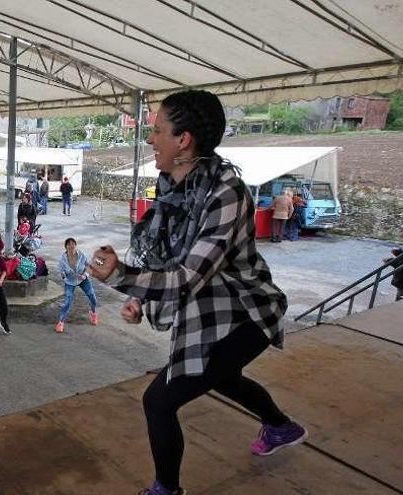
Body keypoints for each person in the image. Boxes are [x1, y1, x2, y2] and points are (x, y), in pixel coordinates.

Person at [114, 90, 304, 495]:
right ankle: (281, 426)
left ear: (183, 140)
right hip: (209, 312)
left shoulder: (227, 192)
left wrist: (120, 277)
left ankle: (166, 489)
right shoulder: (174, 186)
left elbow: (187, 277)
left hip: (245, 315)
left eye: (157, 131)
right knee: (222, 377)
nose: (151, 140)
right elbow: (166, 257)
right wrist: (140, 297)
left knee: (159, 402)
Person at [55, 238, 98, 333]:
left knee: (92, 296)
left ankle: (93, 313)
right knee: (67, 302)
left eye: (73, 244)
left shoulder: (81, 255)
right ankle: (61, 322)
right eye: (69, 244)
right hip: (70, 281)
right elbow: (60, 271)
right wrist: (63, 274)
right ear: (66, 247)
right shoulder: (63, 259)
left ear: (76, 245)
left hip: (83, 279)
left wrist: (84, 275)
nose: (71, 246)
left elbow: (88, 266)